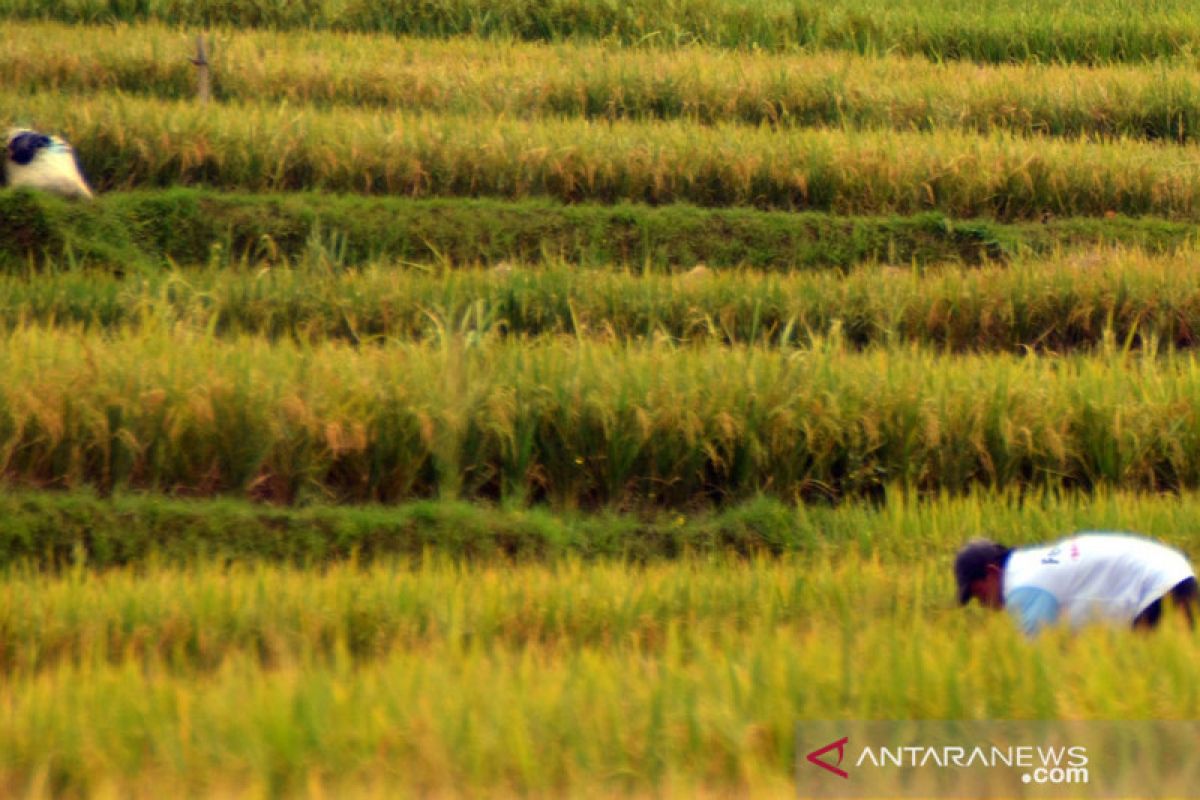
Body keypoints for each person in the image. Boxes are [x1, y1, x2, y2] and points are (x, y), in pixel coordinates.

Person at [954, 532, 1197, 636]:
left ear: (992, 572)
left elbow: (1038, 664)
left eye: (978, 594)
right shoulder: (1028, 565)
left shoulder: (1024, 588)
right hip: (1172, 572)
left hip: (1159, 588)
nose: (983, 605)